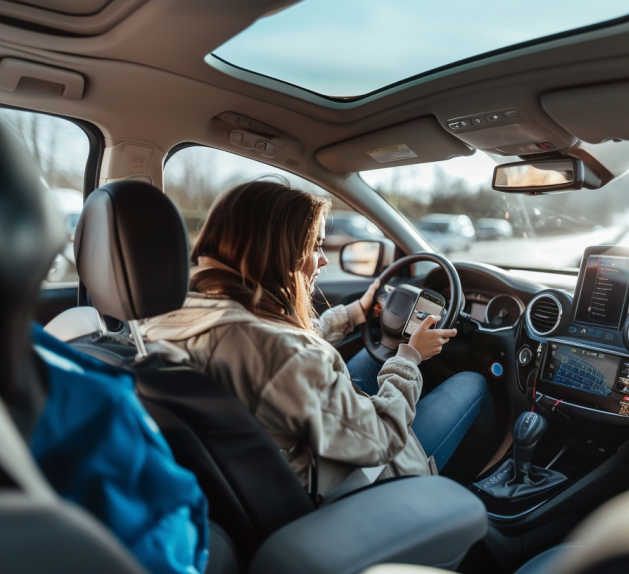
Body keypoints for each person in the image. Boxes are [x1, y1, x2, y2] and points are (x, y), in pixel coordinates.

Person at [140, 178, 493, 496]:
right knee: (473, 384)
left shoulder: (177, 315)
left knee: (370, 361)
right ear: (276, 250)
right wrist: (409, 357)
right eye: (316, 245)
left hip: (299, 450)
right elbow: (381, 436)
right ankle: (460, 496)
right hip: (363, 477)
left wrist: (354, 314)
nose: (323, 261)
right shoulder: (282, 354)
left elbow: (273, 348)